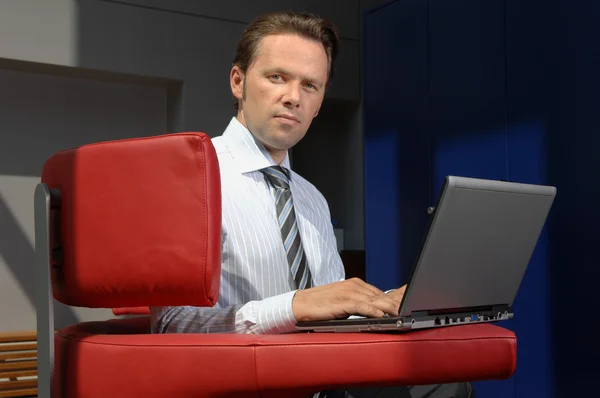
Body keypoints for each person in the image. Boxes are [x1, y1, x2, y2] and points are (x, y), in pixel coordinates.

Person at [150, 11, 473, 398]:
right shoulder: (190, 180)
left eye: (310, 86)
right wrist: (294, 306)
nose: (293, 97)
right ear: (238, 82)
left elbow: (329, 310)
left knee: (450, 385)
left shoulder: (310, 199)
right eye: (277, 77)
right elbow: (171, 326)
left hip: (324, 379)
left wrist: (383, 306)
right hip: (244, 384)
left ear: (319, 103)